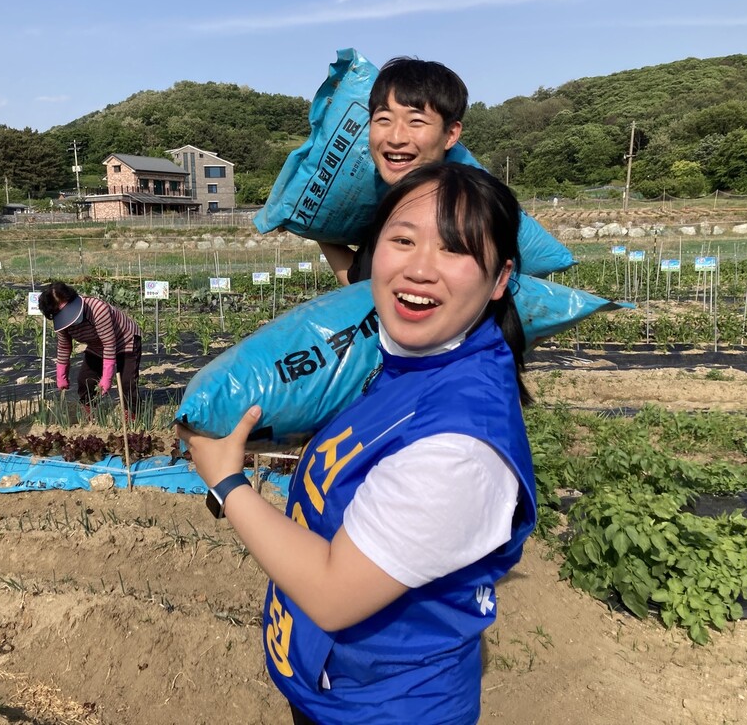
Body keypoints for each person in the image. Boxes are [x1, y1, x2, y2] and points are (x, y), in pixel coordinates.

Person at [177, 162, 537, 724]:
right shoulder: (405, 363)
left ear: (498, 279)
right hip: (339, 687)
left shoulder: (460, 448)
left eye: (454, 250)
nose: (420, 268)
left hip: (384, 708)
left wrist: (228, 483)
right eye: (403, 240)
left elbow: (332, 593)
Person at [319, 56, 468, 286]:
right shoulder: (393, 204)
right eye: (384, 119)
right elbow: (363, 284)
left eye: (416, 121)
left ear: (450, 135)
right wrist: (313, 225)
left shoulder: (461, 212)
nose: (395, 138)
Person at [38, 281, 142, 416]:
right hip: (96, 345)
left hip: (125, 340)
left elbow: (109, 344)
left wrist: (107, 377)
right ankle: (88, 410)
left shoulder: (98, 309)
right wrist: (61, 375)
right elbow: (64, 347)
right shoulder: (62, 323)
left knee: (127, 383)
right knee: (85, 380)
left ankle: (133, 414)